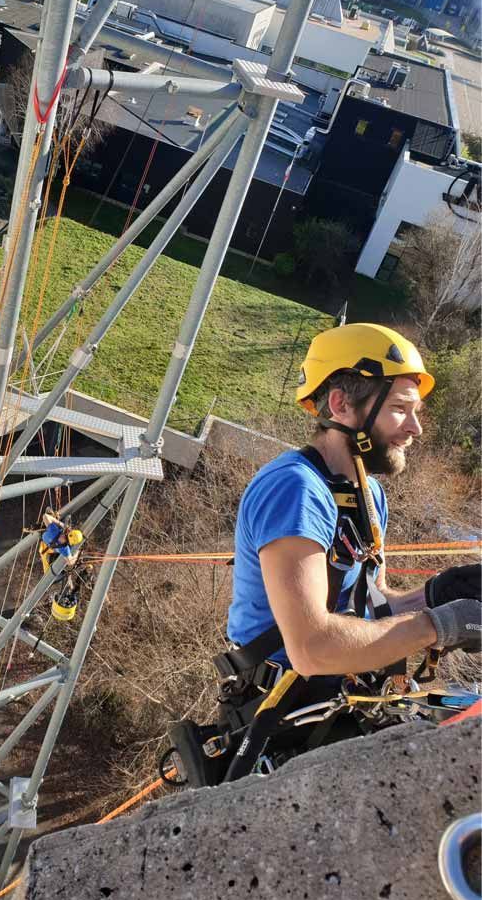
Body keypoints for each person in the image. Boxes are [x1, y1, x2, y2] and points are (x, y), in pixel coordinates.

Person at [169, 323, 482, 786]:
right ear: (340, 404)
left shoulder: (365, 493)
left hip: (338, 699)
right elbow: (312, 647)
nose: (414, 428)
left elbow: (366, 607)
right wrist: (437, 625)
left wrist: (434, 595)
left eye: (415, 411)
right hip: (284, 715)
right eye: (399, 410)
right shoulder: (295, 490)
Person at [38, 510, 84, 574]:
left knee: (50, 513)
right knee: (47, 572)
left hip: (45, 539)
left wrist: (60, 524)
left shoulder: (54, 530)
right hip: (48, 545)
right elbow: (70, 562)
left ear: (68, 533)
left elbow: (45, 516)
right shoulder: (65, 549)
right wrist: (77, 553)